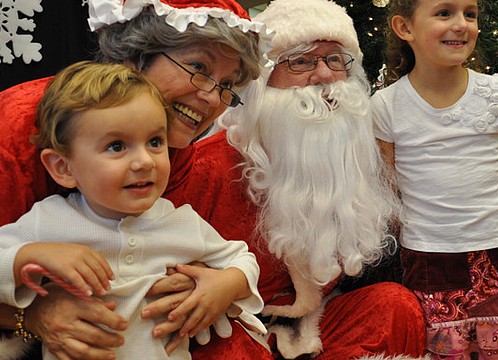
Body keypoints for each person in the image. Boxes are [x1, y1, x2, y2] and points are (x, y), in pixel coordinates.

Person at [0, 0, 267, 359]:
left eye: (228, 85)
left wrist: (203, 286)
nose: (214, 97)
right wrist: (33, 314)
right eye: (198, 68)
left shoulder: (174, 149)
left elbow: (166, 247)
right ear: (136, 56)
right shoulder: (16, 129)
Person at [157, 0, 428, 358]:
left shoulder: (353, 159)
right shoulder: (210, 165)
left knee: (395, 305)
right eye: (300, 61)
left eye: (335, 59)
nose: (324, 76)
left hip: (309, 322)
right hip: (230, 325)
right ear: (262, 82)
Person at [0, 61, 265, 360]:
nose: (144, 161)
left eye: (155, 141)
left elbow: (242, 259)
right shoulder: (48, 221)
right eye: (116, 146)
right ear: (63, 167)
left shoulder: (181, 221)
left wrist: (228, 284)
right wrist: (31, 256)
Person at [371, 0, 498, 358]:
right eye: (444, 13)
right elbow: (387, 190)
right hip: (428, 255)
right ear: (405, 29)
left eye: (470, 14)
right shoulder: (386, 106)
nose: (462, 24)